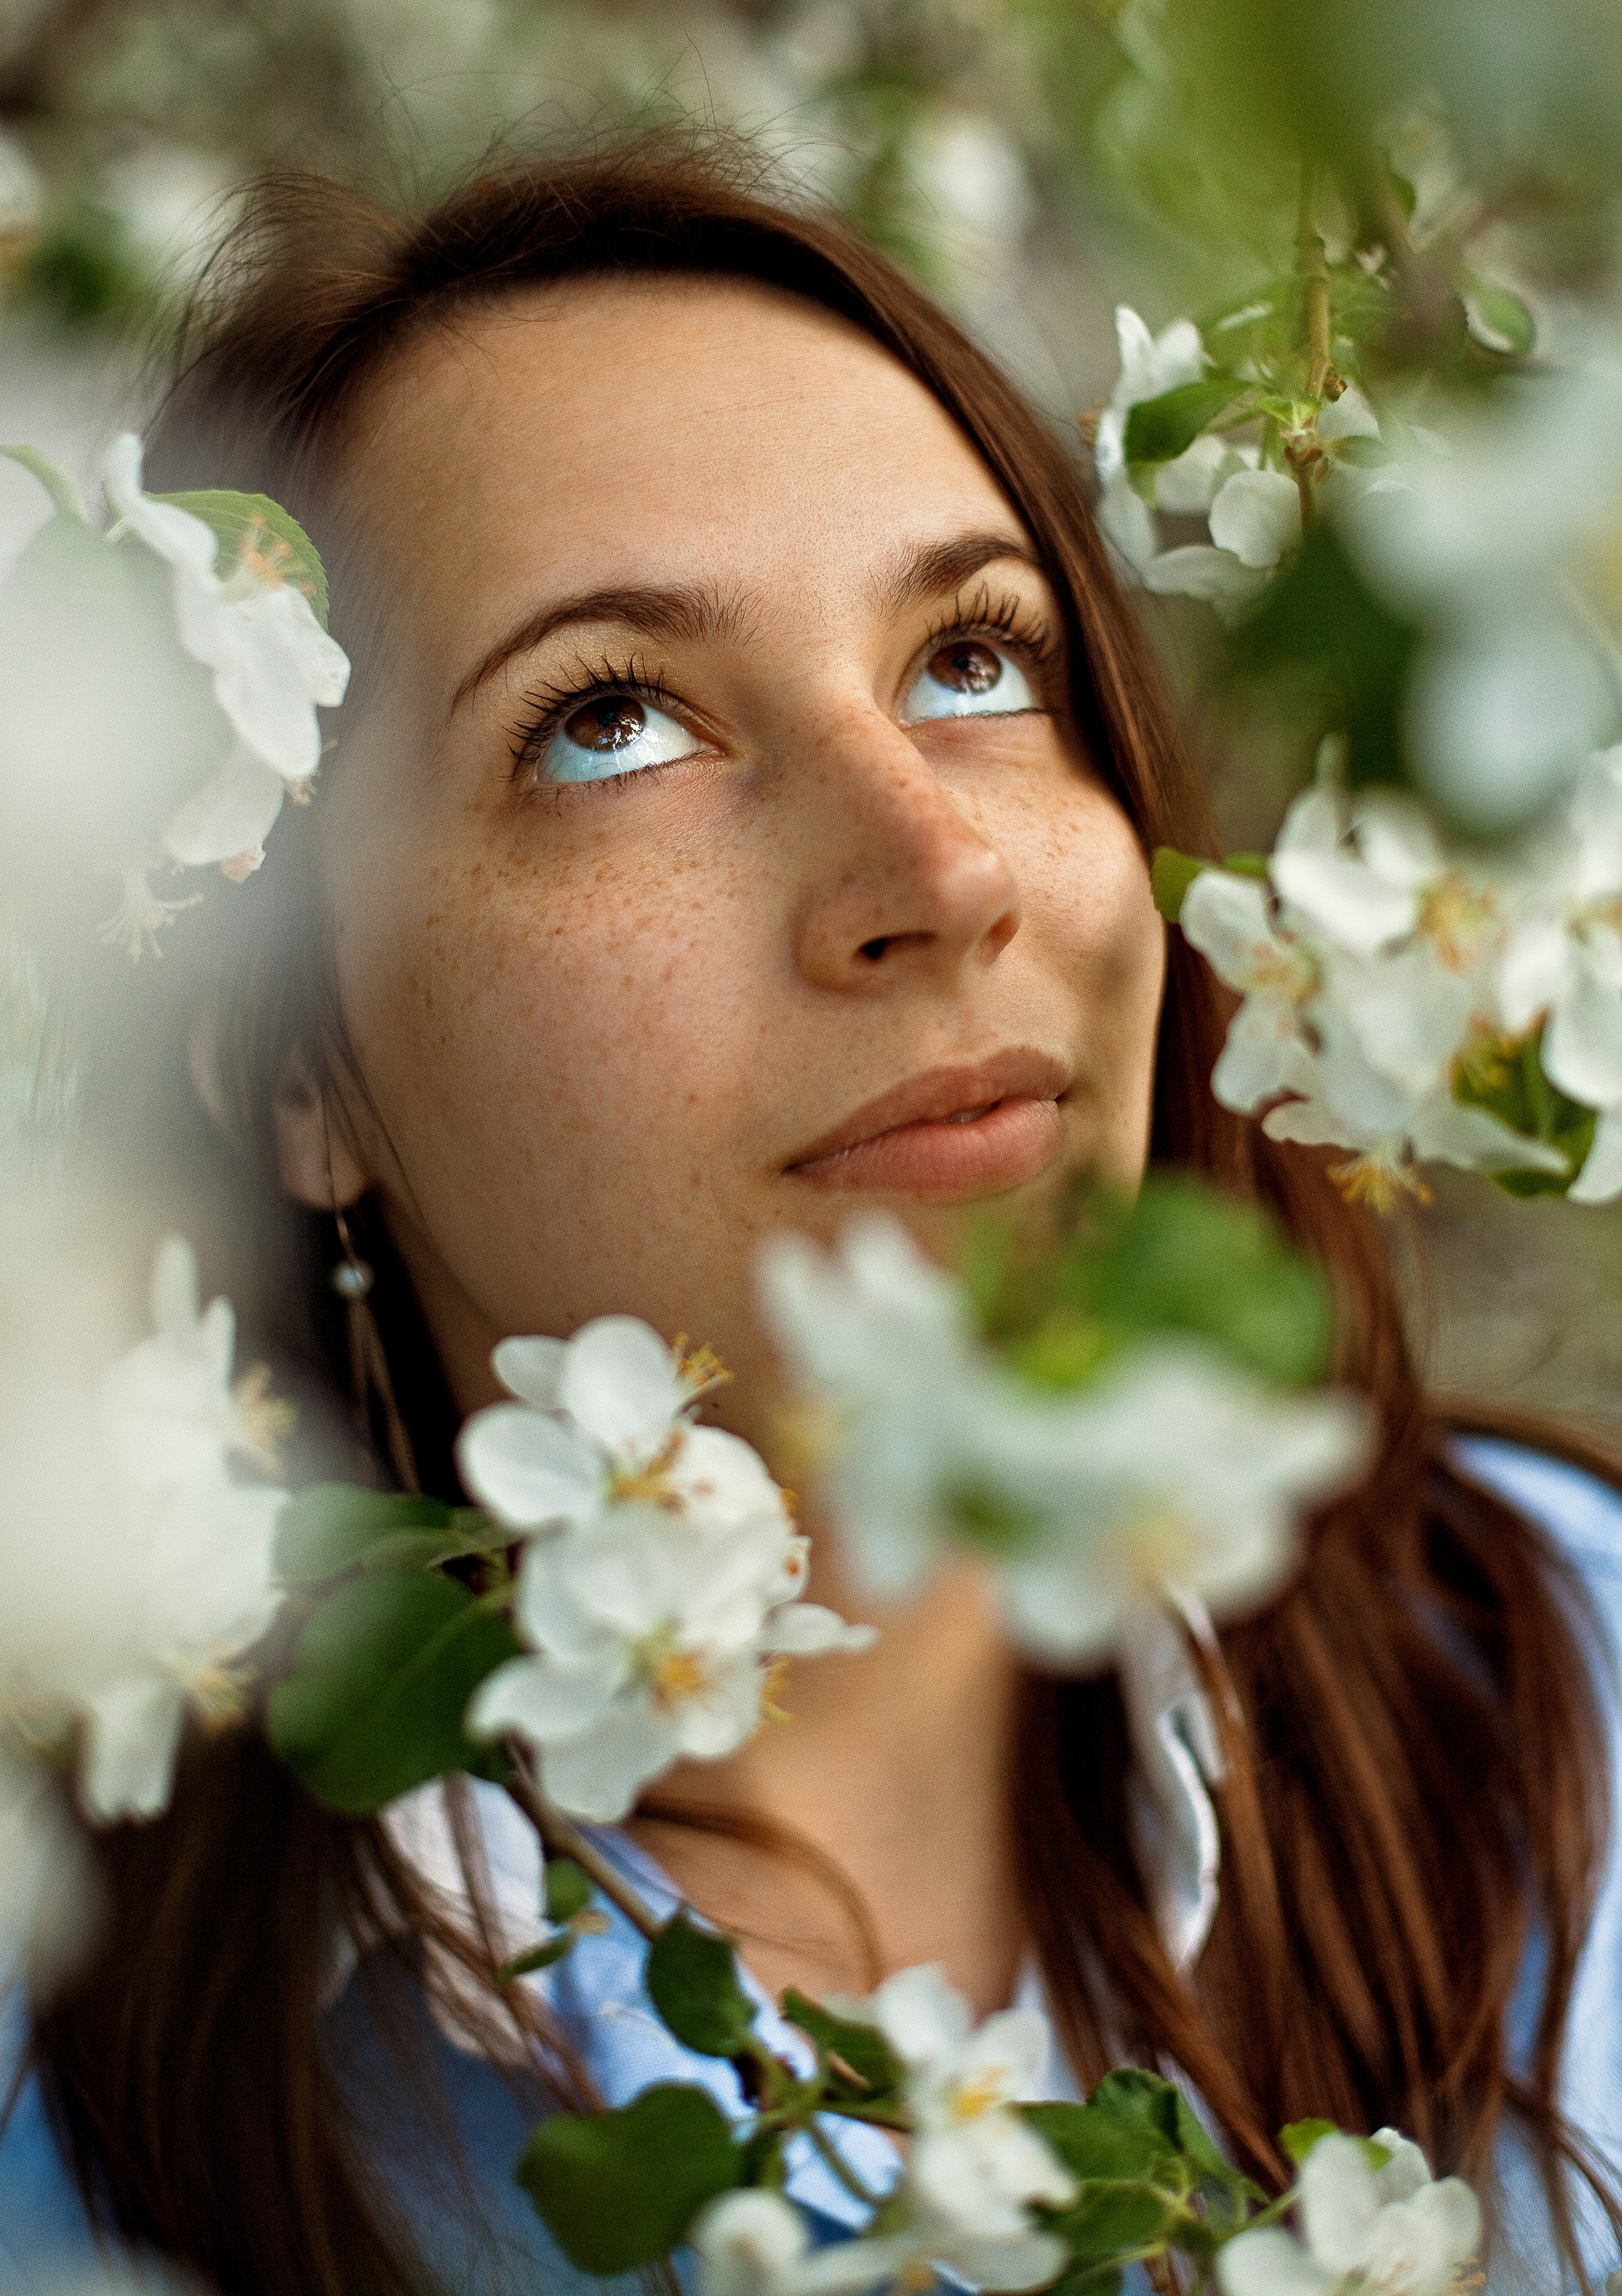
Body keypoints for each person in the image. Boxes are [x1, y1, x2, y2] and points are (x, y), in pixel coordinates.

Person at [3, 135, 1621, 2296]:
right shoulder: (67, 2099)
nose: (936, 871)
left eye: (975, 657)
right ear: (293, 1071)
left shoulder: (1580, 1683)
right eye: (608, 719)